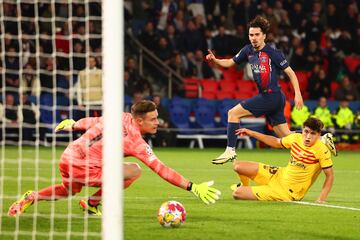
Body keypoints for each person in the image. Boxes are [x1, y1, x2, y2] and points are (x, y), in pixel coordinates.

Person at [8, 100, 221, 217]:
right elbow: (161, 169)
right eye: (153, 119)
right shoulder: (137, 142)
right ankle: (92, 203)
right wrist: (192, 186)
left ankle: (32, 197)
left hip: (68, 156)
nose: (158, 122)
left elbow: (93, 121)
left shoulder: (120, 116)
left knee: (69, 190)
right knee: (133, 171)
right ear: (139, 120)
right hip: (84, 167)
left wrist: (73, 124)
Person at [205, 16, 307, 164]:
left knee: (233, 113)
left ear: (264, 36)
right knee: (287, 137)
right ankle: (321, 141)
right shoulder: (247, 50)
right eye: (251, 35)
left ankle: (230, 150)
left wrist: (298, 94)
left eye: (257, 34)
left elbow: (291, 73)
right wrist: (216, 60)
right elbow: (229, 62)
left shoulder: (272, 52)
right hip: (273, 98)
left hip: (272, 97)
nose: (253, 38)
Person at [231, 117, 334, 203]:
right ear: (302, 130)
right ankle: (245, 186)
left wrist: (321, 199)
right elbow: (275, 142)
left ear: (318, 134)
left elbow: (330, 175)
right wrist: (251, 133)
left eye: (312, 133)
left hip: (287, 191)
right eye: (306, 132)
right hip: (279, 174)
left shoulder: (322, 150)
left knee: (237, 193)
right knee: (237, 166)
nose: (307, 137)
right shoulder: (295, 138)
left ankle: (258, 190)